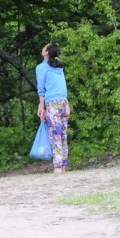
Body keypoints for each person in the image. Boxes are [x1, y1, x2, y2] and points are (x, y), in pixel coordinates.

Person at [36, 42, 69, 173]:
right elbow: (61, 86)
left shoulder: (41, 67)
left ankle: (57, 167)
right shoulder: (58, 66)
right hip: (64, 102)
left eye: (44, 47)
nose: (42, 48)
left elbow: (41, 89)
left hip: (53, 104)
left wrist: (42, 107)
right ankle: (63, 165)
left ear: (46, 52)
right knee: (63, 135)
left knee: (55, 135)